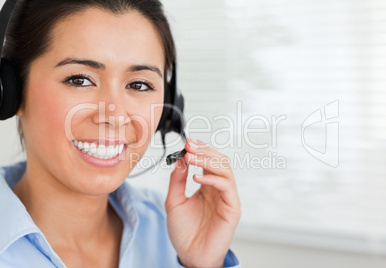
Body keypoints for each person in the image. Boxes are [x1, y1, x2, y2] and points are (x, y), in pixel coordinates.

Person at [0, 0, 242, 267]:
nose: (114, 117)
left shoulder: (168, 229)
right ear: (12, 92)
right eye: (80, 79)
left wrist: (202, 264)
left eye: (139, 84)